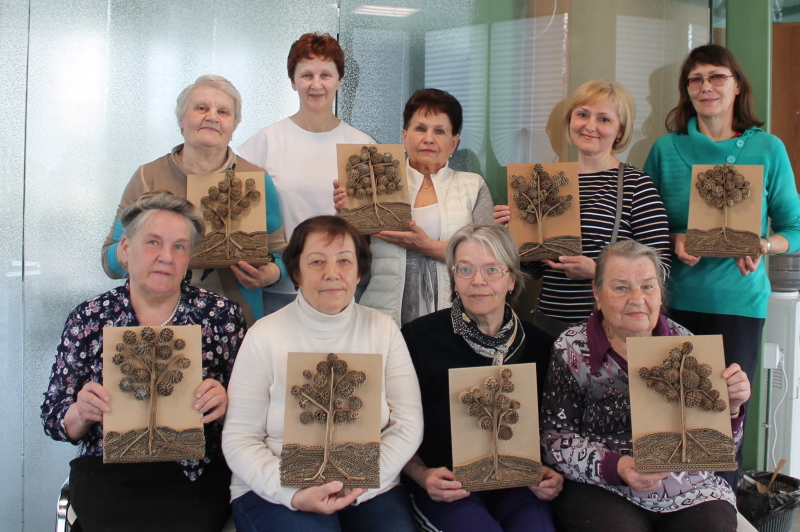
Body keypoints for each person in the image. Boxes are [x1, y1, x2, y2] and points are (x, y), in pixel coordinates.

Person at [42, 191, 248, 532]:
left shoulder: (219, 315)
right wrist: (80, 411)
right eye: (153, 242)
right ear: (125, 249)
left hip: (194, 470)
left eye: (179, 246)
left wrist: (227, 405)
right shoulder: (91, 317)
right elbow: (54, 417)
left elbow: (255, 416)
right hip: (107, 469)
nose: (166, 256)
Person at [222, 215, 423, 532]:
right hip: (274, 489)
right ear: (297, 273)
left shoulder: (383, 330)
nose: (332, 273)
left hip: (370, 486)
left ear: (359, 273)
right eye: (317, 262)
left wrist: (361, 483)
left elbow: (408, 424)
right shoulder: (264, 335)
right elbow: (240, 440)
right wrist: (294, 493)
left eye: (344, 261)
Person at [540, 240, 751, 532]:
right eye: (621, 287)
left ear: (660, 293)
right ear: (597, 294)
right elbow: (556, 440)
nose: (637, 298)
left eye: (648, 287)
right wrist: (618, 466)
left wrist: (733, 408)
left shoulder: (686, 345)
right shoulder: (571, 349)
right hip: (604, 485)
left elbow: (719, 452)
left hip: (689, 488)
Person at [643, 44, 800, 397]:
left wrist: (765, 244)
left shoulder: (769, 149)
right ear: (686, 89)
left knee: (727, 417)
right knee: (670, 416)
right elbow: (643, 226)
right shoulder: (664, 150)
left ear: (737, 85)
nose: (705, 86)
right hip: (671, 302)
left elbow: (795, 229)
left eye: (716, 76)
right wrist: (674, 238)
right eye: (695, 79)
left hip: (739, 304)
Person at [401, 223, 562, 532]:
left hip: (517, 483)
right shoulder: (418, 338)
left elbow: (551, 428)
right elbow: (394, 424)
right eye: (465, 269)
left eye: (492, 270)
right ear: (454, 279)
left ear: (512, 280)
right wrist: (422, 475)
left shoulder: (541, 346)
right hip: (447, 485)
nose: (477, 282)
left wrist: (550, 473)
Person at [101, 74, 287, 326]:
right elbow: (109, 262)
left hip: (234, 322)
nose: (212, 117)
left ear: (233, 126)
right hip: (155, 322)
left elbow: (282, 253)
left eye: (223, 112)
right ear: (181, 120)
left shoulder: (255, 180)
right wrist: (132, 252)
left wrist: (270, 273)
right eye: (201, 108)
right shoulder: (148, 177)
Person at [494, 79, 671, 333]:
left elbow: (661, 270)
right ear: (570, 121)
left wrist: (598, 271)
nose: (590, 126)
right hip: (550, 322)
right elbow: (534, 270)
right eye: (582, 114)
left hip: (608, 329)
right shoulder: (546, 181)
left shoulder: (636, 185)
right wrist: (515, 234)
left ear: (620, 130)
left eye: (604, 119)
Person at [237, 33, 375, 315]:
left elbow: (373, 231)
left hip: (341, 288)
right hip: (280, 289)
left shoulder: (363, 147)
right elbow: (240, 219)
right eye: (306, 75)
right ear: (292, 81)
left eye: (326, 74)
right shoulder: (262, 144)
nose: (316, 84)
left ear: (339, 80)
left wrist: (353, 213)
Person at [338, 88, 494, 326]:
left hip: (454, 319)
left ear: (454, 142)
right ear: (404, 135)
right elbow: (352, 256)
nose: (428, 138)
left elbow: (488, 258)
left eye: (439, 131)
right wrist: (345, 215)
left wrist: (429, 247)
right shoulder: (376, 182)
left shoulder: (473, 186)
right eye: (420, 128)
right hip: (381, 316)